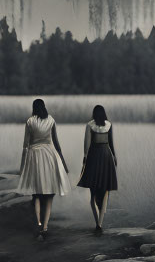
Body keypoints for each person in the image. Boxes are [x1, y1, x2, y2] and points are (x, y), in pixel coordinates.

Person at [15, 98, 70, 238]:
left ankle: (38, 222)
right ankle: (45, 227)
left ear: (33, 108)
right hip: (50, 156)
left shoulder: (30, 121)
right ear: (44, 107)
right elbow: (57, 143)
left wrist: (22, 166)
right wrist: (63, 163)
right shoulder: (51, 120)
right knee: (50, 194)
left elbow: (25, 145)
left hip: (35, 157)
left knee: (37, 193)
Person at [77, 104, 117, 233]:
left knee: (93, 194)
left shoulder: (90, 125)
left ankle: (97, 224)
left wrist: (84, 160)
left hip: (94, 157)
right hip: (106, 157)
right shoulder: (109, 125)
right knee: (105, 191)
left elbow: (86, 146)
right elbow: (111, 143)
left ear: (94, 114)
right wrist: (115, 157)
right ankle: (100, 223)